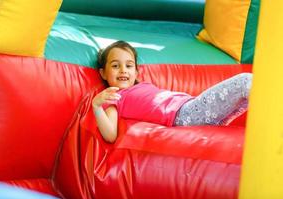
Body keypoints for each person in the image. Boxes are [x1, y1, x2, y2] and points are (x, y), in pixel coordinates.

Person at [92, 41, 252, 143]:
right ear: (103, 73)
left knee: (245, 96)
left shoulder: (141, 86)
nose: (123, 70)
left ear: (136, 71)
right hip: (184, 115)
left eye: (128, 65)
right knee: (244, 81)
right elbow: (110, 134)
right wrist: (97, 107)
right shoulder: (114, 97)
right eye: (115, 66)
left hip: (191, 108)